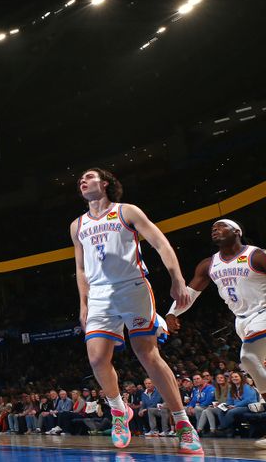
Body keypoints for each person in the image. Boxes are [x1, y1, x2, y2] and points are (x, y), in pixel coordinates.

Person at [70, 168, 202, 454]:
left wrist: (177, 278)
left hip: (132, 287)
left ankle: (182, 424)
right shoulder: (77, 225)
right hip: (100, 295)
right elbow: (80, 268)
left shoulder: (126, 211)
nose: (82, 180)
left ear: (105, 183)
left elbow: (159, 242)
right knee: (96, 359)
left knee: (147, 354)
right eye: (81, 178)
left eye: (89, 176)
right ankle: (119, 411)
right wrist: (83, 303)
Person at [165, 218, 266, 445]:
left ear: (237, 231)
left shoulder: (256, 255)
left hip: (263, 312)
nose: (215, 230)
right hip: (241, 321)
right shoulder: (209, 264)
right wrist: (172, 314)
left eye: (221, 226)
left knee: (248, 358)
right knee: (256, 366)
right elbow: (189, 293)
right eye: (213, 228)